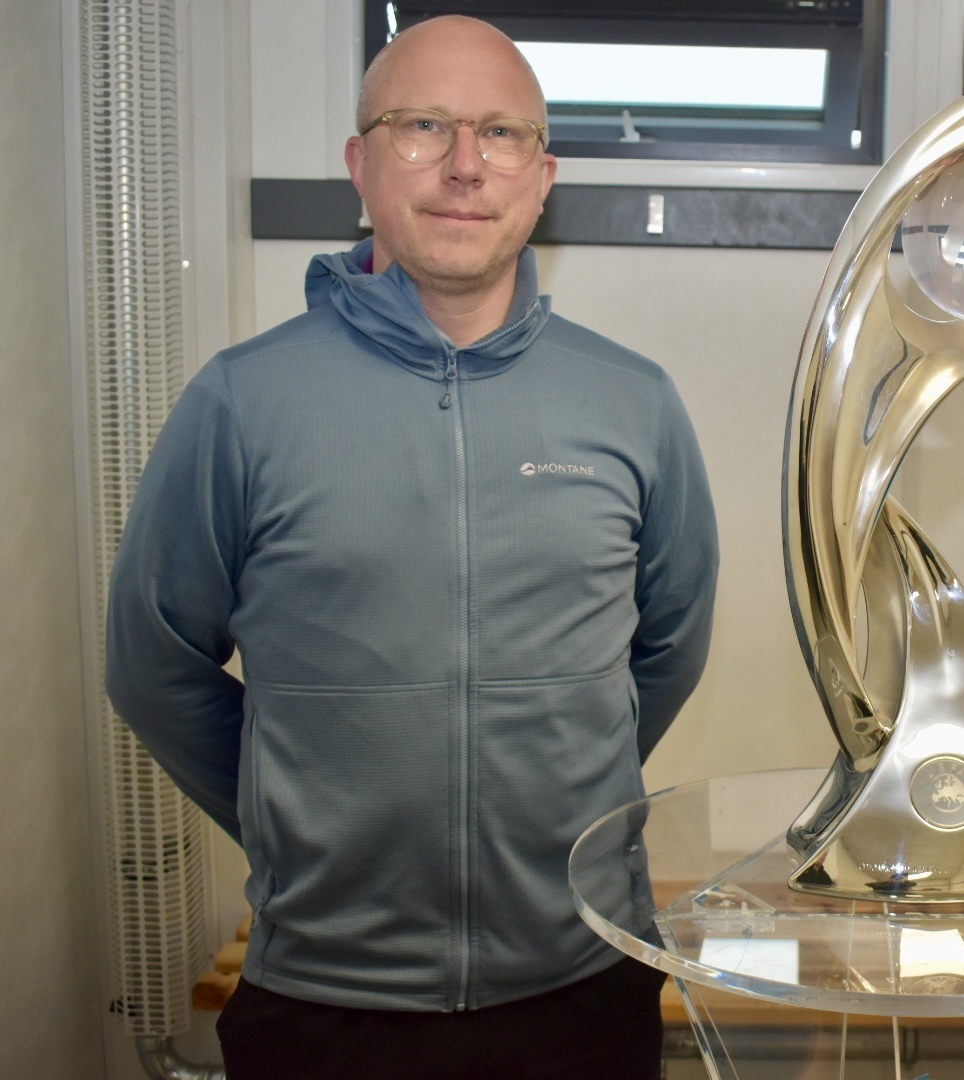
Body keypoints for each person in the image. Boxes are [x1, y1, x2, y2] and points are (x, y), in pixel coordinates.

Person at [104, 16, 718, 1079]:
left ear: (541, 177)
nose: (466, 166)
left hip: (584, 982)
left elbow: (666, 651)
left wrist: (555, 789)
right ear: (360, 164)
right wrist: (291, 822)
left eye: (502, 134)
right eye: (424, 126)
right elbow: (153, 666)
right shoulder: (242, 404)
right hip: (324, 1004)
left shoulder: (635, 404)